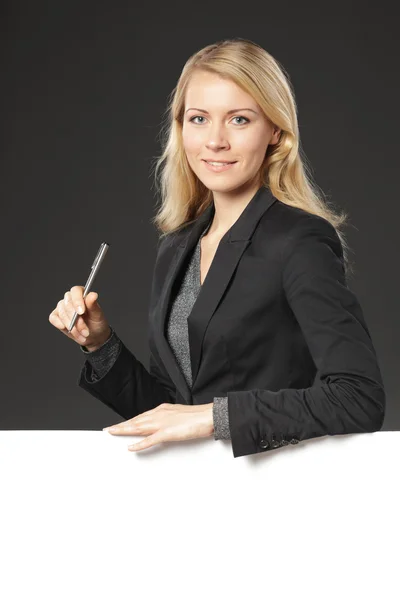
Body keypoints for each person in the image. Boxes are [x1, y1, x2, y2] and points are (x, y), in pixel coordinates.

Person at [48, 38, 386, 458]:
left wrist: (213, 417)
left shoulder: (299, 239)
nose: (215, 141)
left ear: (275, 132)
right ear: (181, 128)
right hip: (195, 497)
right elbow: (171, 415)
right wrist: (100, 345)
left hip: (275, 495)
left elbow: (358, 398)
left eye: (240, 119)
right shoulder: (176, 248)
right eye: (199, 118)